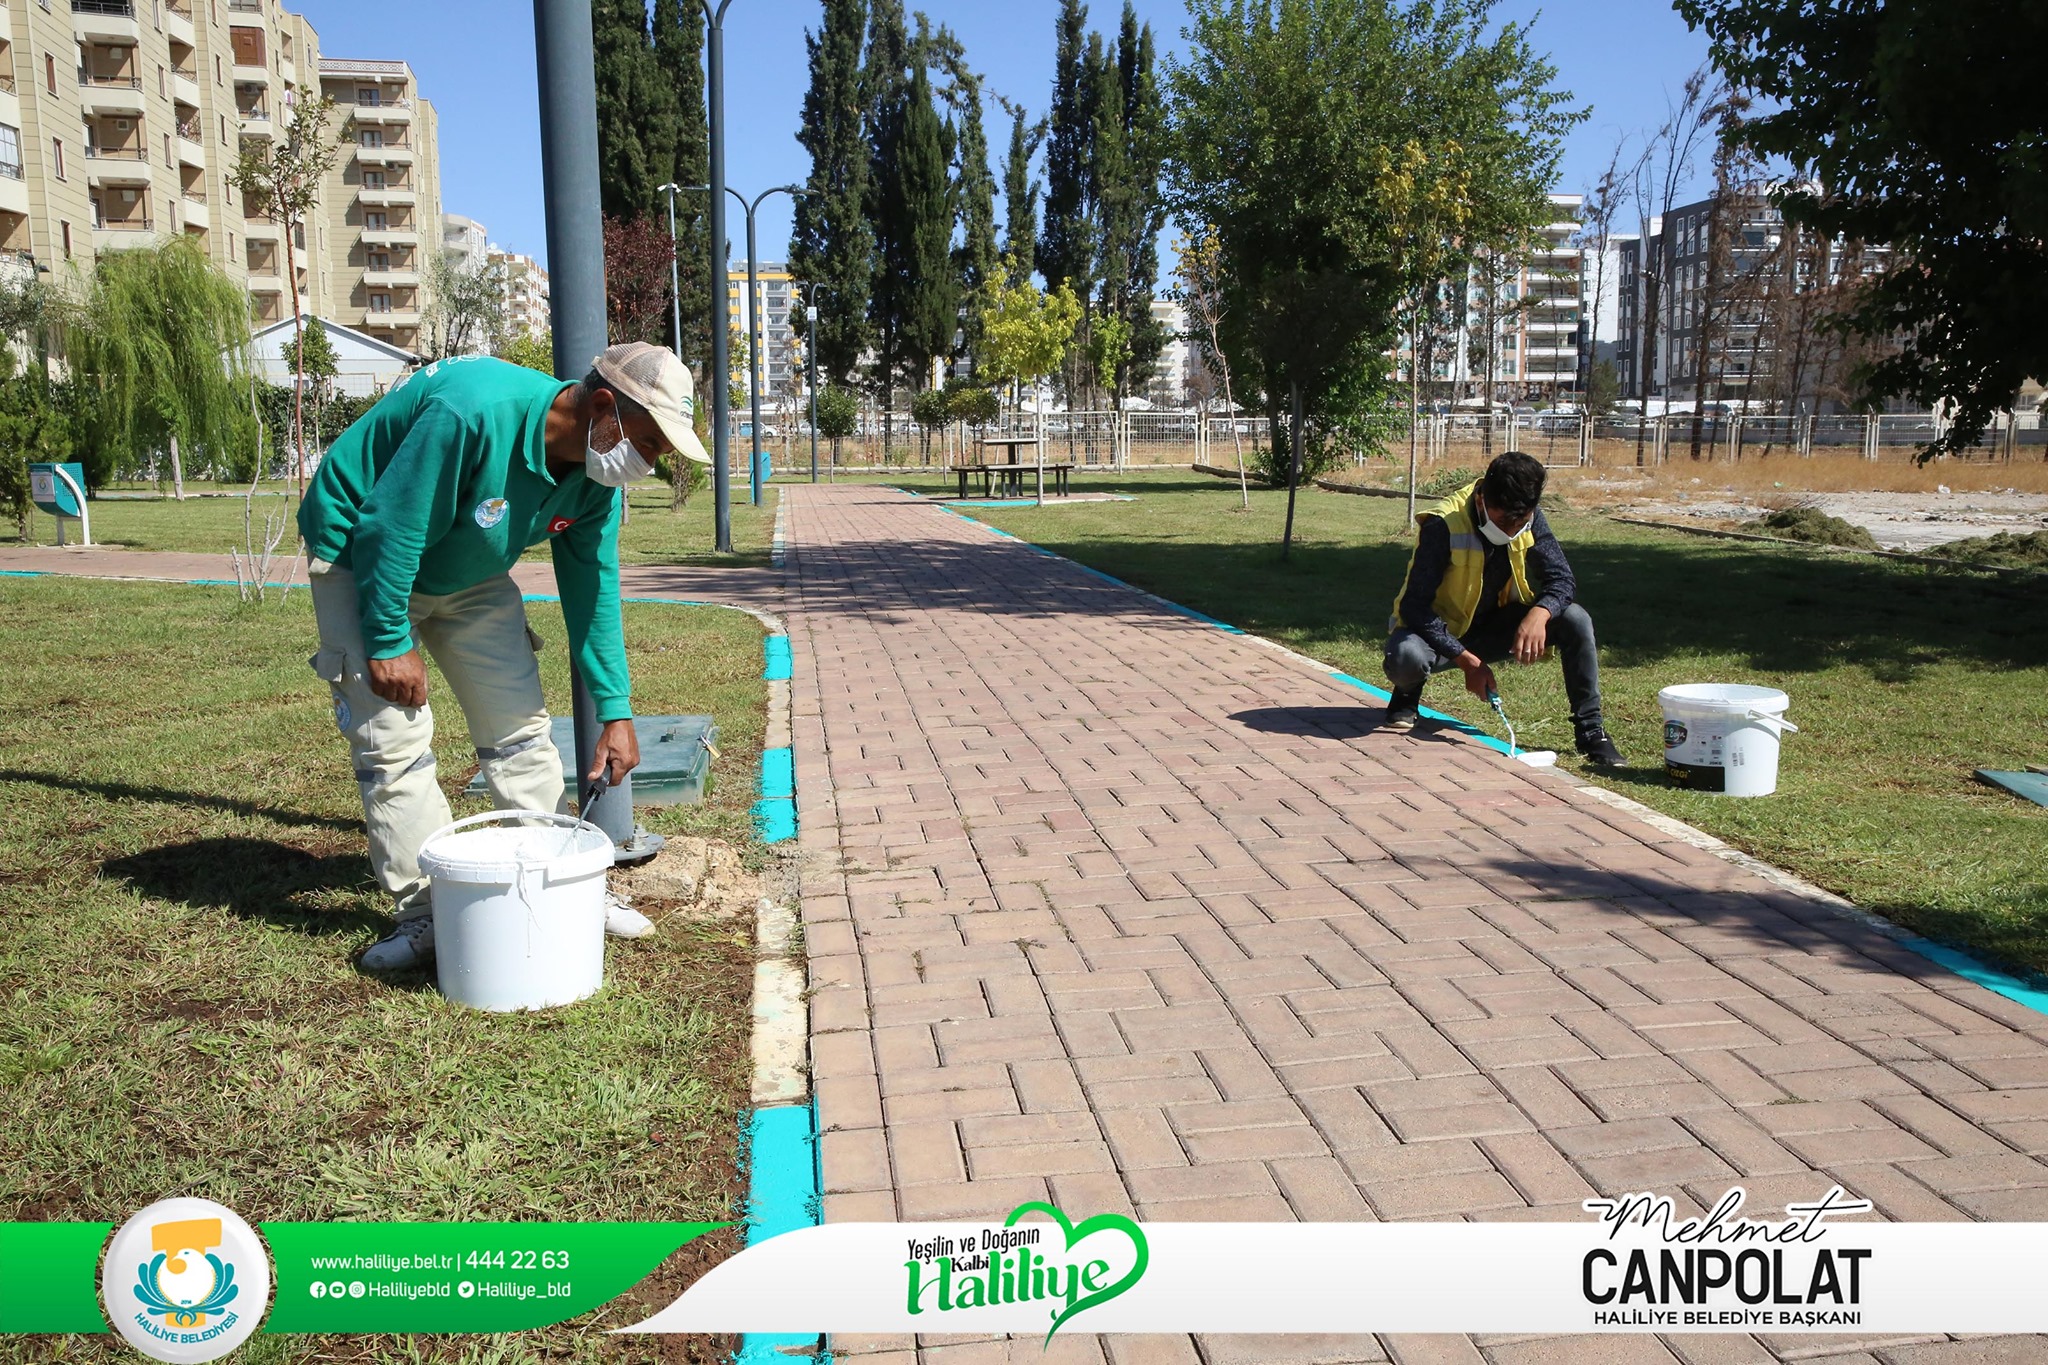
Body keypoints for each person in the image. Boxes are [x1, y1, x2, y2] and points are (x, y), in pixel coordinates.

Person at [298, 342, 712, 970]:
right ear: (605, 407)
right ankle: (428, 913)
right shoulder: (473, 414)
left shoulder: (592, 472)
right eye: (651, 444)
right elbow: (391, 524)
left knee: (520, 731)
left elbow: (592, 588)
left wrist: (616, 709)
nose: (648, 465)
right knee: (393, 748)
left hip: (467, 568)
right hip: (364, 555)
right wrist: (387, 639)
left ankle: (559, 880)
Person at [1382, 450, 1626, 767]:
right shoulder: (1443, 524)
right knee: (1406, 659)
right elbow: (1415, 607)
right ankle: (1406, 694)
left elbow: (1562, 579)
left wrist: (1540, 613)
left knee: (1575, 619)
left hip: (1494, 626)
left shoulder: (1530, 516)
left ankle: (1592, 733)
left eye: (1520, 523)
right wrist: (1468, 662)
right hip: (1437, 632)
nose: (1511, 531)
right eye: (1502, 522)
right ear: (1482, 499)